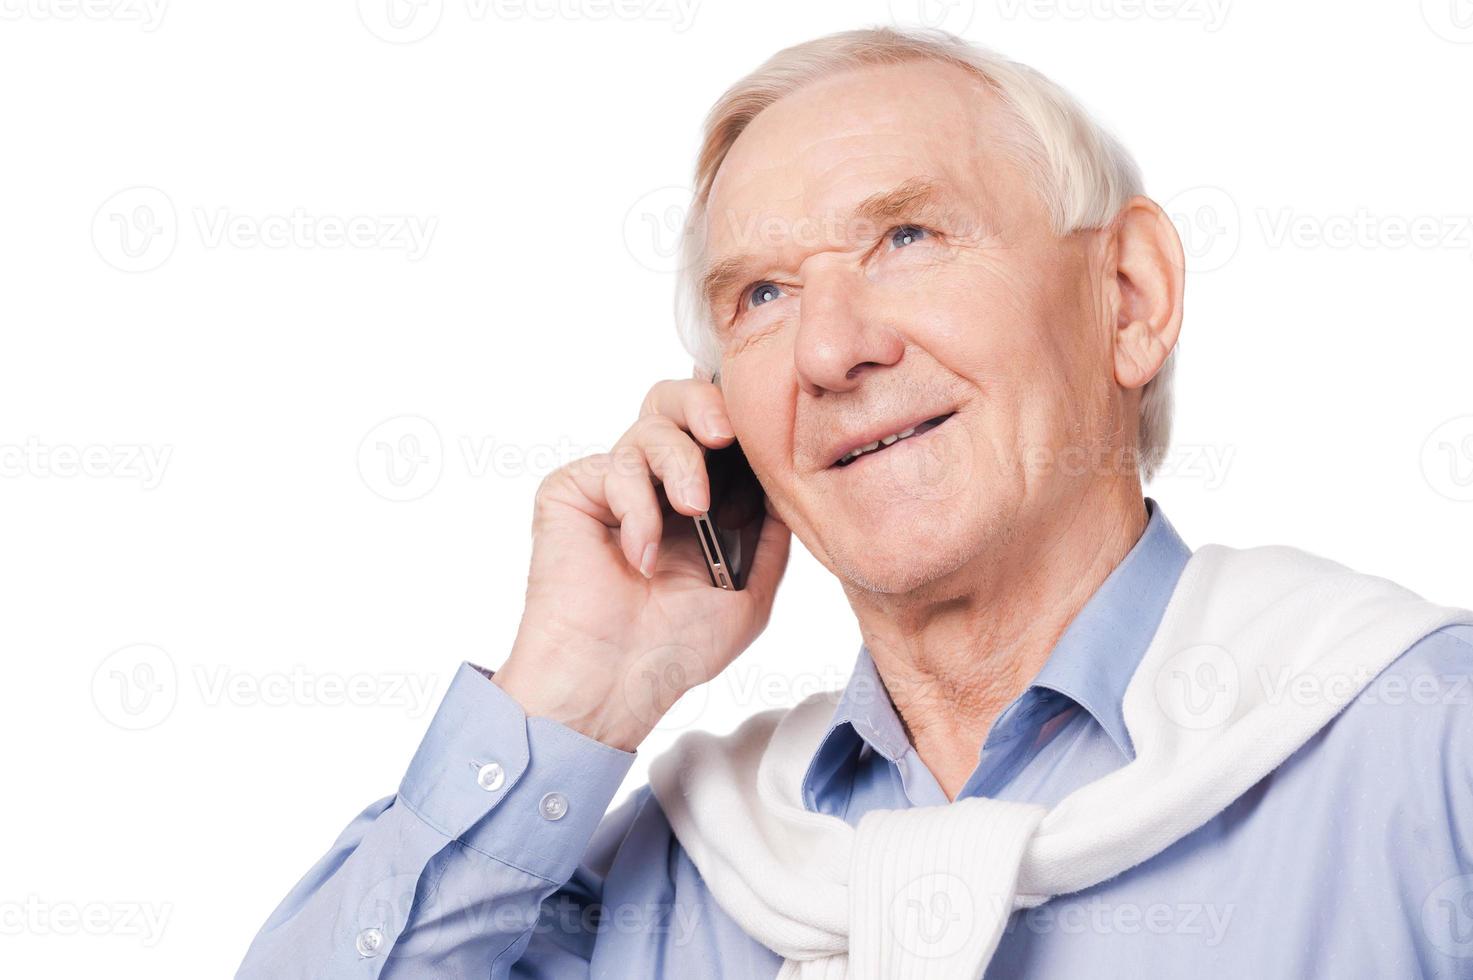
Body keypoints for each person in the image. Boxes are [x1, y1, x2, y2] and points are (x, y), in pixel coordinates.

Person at [236, 26, 1473, 979]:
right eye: (761, 295)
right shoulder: (691, 876)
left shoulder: (1421, 748)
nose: (830, 350)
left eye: (912, 236)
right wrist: (573, 692)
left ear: (1132, 297)